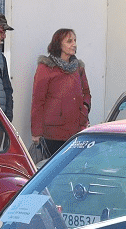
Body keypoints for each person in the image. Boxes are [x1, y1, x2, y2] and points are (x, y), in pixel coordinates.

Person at [30, 28, 91, 158]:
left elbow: (86, 93)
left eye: (74, 40)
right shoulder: (46, 68)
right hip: (53, 133)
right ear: (58, 44)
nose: (74, 44)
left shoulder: (78, 67)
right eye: (69, 41)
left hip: (76, 129)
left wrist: (84, 109)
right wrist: (36, 132)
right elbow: (38, 100)